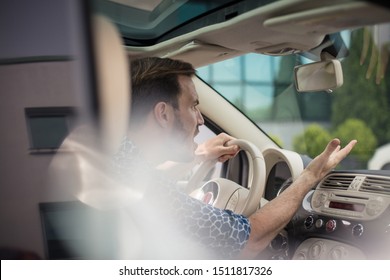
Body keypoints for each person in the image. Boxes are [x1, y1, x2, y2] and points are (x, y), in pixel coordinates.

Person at [112, 56, 357, 259]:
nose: (199, 119)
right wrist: (309, 177)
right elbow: (248, 239)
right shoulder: (149, 188)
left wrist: (200, 155)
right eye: (193, 107)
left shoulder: (116, 162)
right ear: (163, 114)